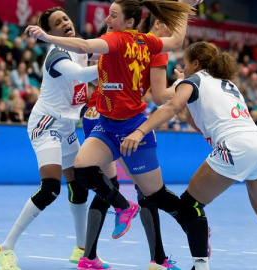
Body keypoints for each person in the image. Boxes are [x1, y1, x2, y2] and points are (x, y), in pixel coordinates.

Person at [120, 41, 257, 270]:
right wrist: (186, 111)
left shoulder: (192, 80)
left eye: (185, 64)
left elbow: (168, 107)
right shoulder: (226, 84)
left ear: (196, 64)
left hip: (237, 145)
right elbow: (205, 124)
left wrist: (140, 131)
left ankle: (200, 267)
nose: (183, 68)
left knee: (190, 205)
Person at [26, 1, 195, 269]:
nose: (106, 19)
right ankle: (111, 240)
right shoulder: (126, 41)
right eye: (108, 14)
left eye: (113, 15)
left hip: (129, 124)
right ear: (149, 24)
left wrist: (47, 37)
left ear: (130, 22)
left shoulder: (143, 45)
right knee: (91, 174)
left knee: (150, 193)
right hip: (103, 119)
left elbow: (168, 58)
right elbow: (174, 43)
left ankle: (186, 230)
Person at [0, 7, 106, 270]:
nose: (64, 22)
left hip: (66, 126)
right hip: (45, 124)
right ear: (50, 33)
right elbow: (84, 75)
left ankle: (80, 249)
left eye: (65, 18)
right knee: (51, 188)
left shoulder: (80, 48)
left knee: (78, 186)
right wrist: (114, 64)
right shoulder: (57, 54)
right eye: (57, 22)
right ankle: (4, 249)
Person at [80, 11, 186, 270]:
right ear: (159, 24)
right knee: (145, 191)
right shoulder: (154, 48)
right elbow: (160, 97)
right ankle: (158, 259)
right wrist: (183, 85)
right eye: (170, 26)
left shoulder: (119, 39)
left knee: (105, 184)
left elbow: (94, 72)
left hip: (96, 115)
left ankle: (89, 257)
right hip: (123, 123)